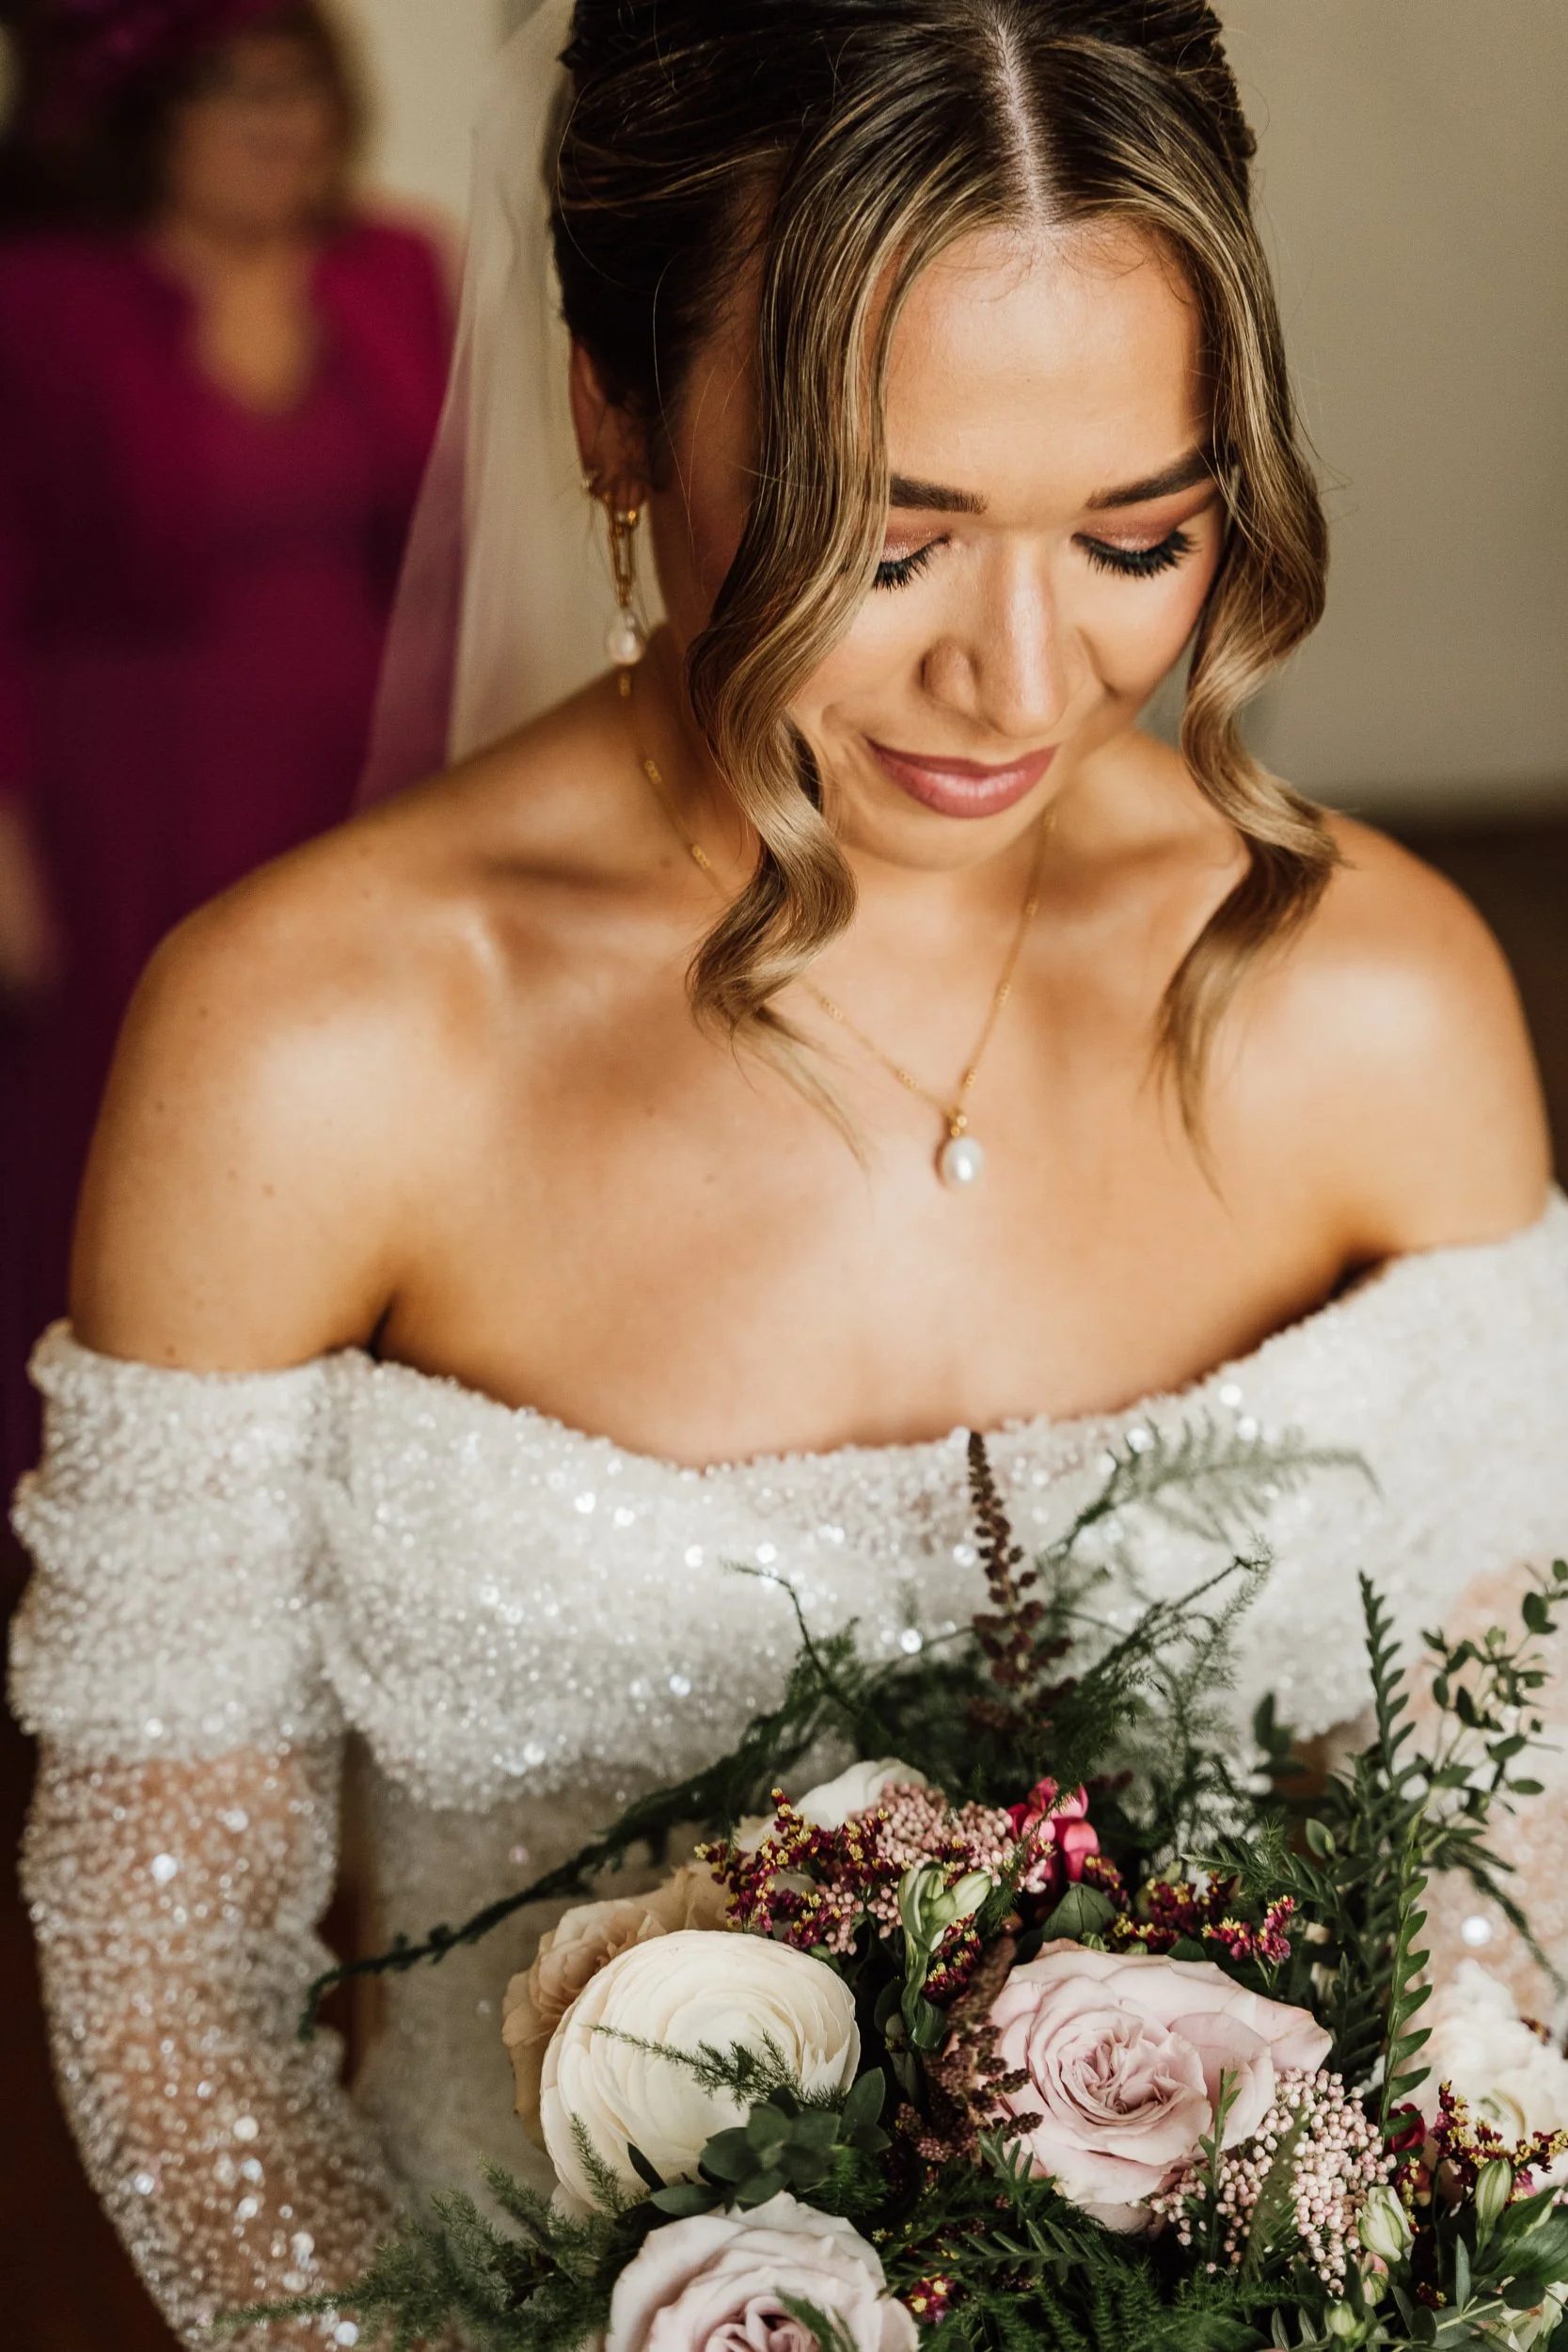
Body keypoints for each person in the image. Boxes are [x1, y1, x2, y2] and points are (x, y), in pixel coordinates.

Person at [8, 0, 1568, 2341]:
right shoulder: (308, 1047)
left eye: (1136, 533)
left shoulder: (1376, 1000)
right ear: (607, 408)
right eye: (883, 537)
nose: (1020, 680)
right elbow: (175, 1970)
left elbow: (1512, 1823)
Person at [0, 0, 451, 1497]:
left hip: (351, 770)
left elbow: (441, 559)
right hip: (120, 787)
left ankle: (322, 1479)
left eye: (308, 90)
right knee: (102, 1120)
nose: (289, 127)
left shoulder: (393, 268)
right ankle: (105, 1487)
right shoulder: (42, 297)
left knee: (348, 1105)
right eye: (245, 93)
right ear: (149, 119)